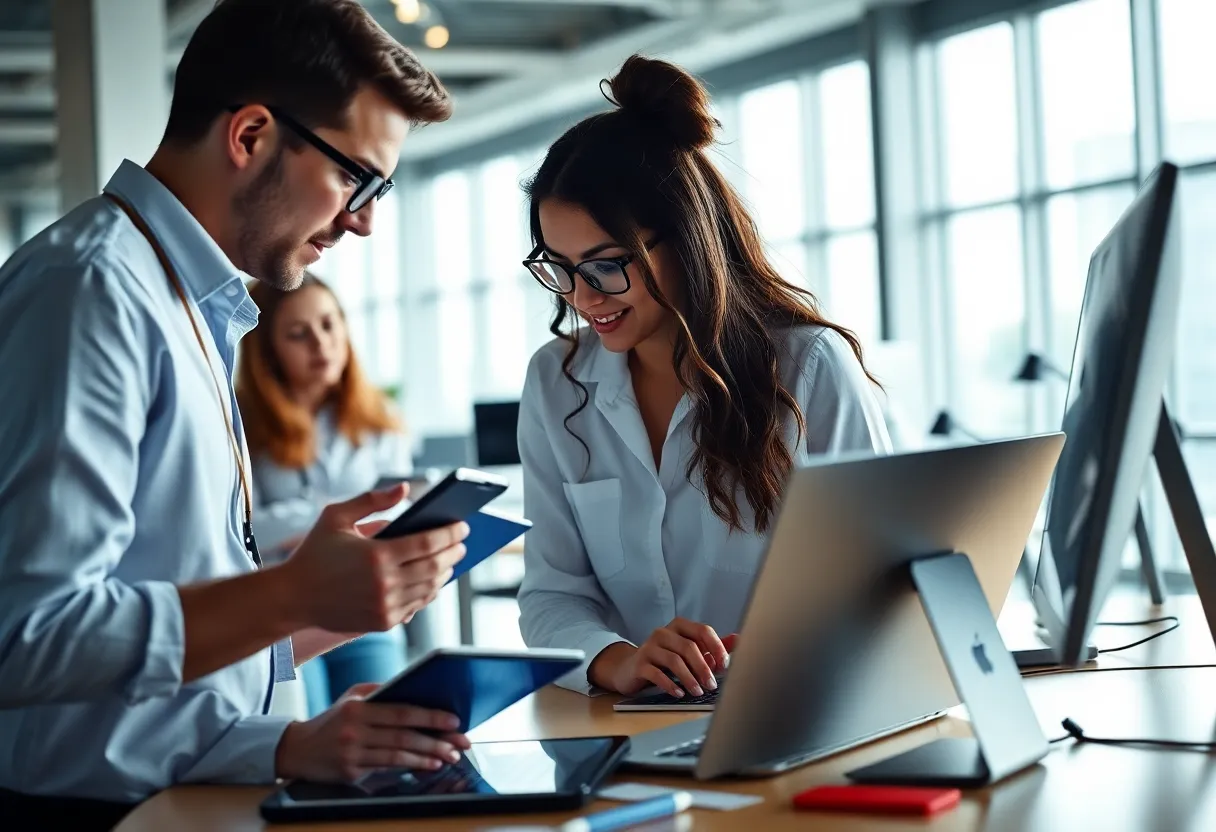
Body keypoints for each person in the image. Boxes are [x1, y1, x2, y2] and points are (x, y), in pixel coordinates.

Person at [0, 1, 469, 826]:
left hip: (190, 799)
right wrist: (291, 594)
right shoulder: (92, 293)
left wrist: (324, 625)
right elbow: (28, 637)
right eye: (358, 178)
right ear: (250, 135)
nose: (363, 220)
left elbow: (158, 647)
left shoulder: (192, 305)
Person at [515, 55, 893, 701]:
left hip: (794, 711)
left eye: (606, 265)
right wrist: (619, 660)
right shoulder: (558, 381)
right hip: (626, 732)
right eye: (560, 267)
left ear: (687, 238)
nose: (582, 295)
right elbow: (553, 595)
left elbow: (882, 583)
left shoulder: (808, 369)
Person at [237, 272, 413, 716]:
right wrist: (331, 517)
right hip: (286, 611)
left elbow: (396, 514)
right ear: (269, 349)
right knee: (302, 720)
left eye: (329, 324)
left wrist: (293, 520)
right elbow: (239, 527)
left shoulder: (381, 420)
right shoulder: (240, 422)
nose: (320, 344)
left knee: (385, 715)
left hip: (364, 606)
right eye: (298, 334)